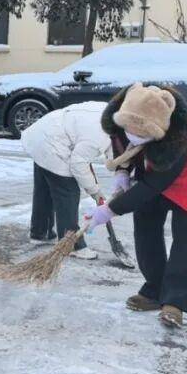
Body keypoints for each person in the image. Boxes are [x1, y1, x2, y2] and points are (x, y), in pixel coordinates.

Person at [83, 83, 187, 328]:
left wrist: (108, 210)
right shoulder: (129, 107)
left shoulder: (182, 136)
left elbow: (152, 185)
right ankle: (154, 289)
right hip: (158, 164)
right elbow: (122, 144)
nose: (133, 138)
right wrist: (122, 171)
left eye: (142, 136)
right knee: (145, 221)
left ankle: (177, 302)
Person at [19, 102, 112, 260]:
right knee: (68, 191)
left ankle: (40, 233)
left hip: (41, 133)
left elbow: (94, 152)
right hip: (53, 142)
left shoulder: (109, 111)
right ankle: (72, 245)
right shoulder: (101, 135)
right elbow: (79, 164)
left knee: (45, 189)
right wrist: (95, 191)